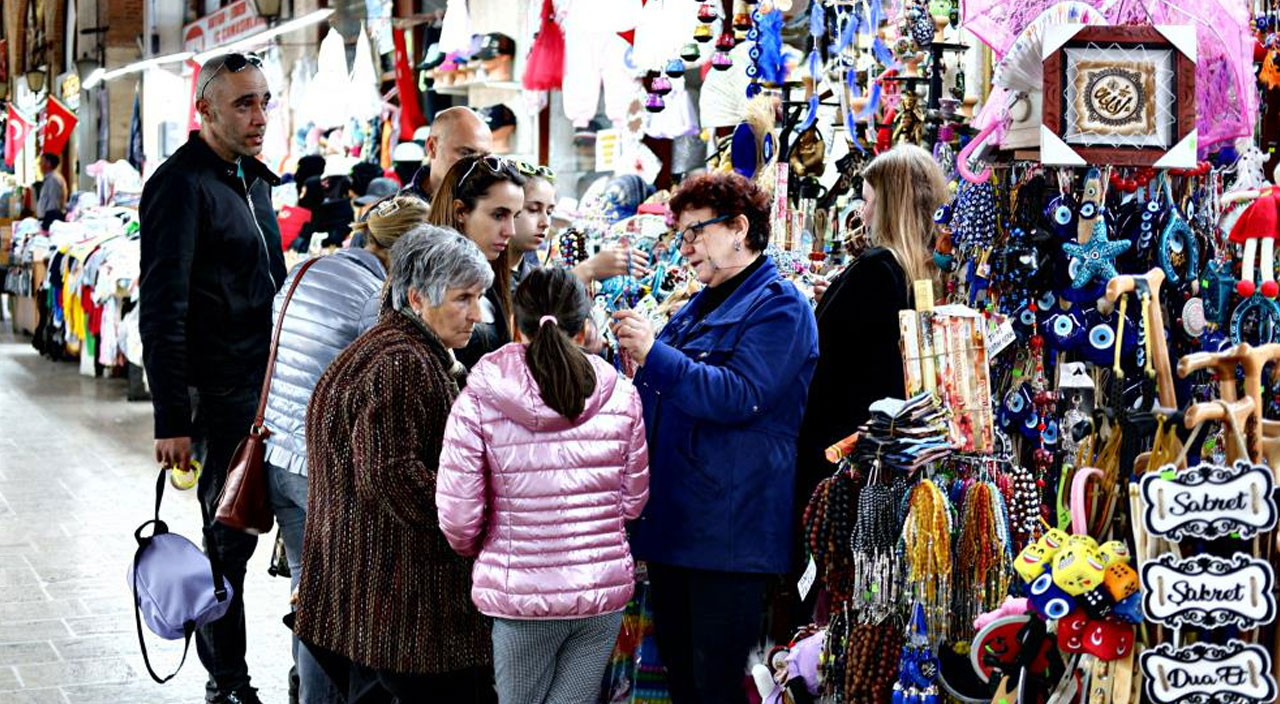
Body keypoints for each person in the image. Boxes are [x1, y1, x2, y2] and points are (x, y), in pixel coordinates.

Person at [611, 171, 819, 704]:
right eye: (682, 235)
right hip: (677, 525)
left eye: (696, 232)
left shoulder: (780, 307)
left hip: (729, 532)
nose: (687, 247)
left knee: (715, 684)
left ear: (740, 229)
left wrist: (654, 354)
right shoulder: (698, 305)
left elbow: (740, 394)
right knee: (683, 680)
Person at [294, 226, 496, 703]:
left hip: (369, 598)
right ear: (417, 298)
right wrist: (477, 511)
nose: (476, 313)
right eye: (463, 298)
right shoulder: (401, 363)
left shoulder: (389, 348)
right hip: (400, 607)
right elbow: (393, 477)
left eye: (479, 296)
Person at [139, 51, 283, 704]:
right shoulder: (181, 185)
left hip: (266, 387)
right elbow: (162, 307)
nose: (258, 116)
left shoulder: (254, 181)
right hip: (217, 397)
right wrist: (171, 418)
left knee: (253, 540)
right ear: (204, 111)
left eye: (263, 100)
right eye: (242, 104)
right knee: (227, 546)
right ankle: (229, 684)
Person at [437, 267, 649, 704]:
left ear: (516, 324)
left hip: (520, 599)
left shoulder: (478, 398)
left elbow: (459, 519)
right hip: (600, 595)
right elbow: (632, 502)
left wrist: (487, 551)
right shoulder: (622, 394)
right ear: (585, 326)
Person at [262, 195, 429, 704]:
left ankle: (305, 691)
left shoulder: (304, 270)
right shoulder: (372, 297)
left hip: (276, 457)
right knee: (336, 606)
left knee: (307, 590)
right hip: (321, 468)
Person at [795, 144, 946, 537]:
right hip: (893, 451)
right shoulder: (925, 273)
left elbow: (822, 355)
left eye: (867, 201)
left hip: (840, 450)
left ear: (890, 206)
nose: (862, 213)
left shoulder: (876, 270)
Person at [427, 154, 526, 368]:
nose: (511, 231)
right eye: (499, 215)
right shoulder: (428, 283)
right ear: (460, 211)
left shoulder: (491, 278)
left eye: (515, 216)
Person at [404, 106, 494, 204]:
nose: (477, 165)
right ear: (432, 147)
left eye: (484, 158)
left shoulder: (493, 207)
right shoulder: (395, 214)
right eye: (466, 153)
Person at [36, 153, 68, 230]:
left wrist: (46, 218)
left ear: (48, 164)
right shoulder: (51, 178)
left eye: (42, 162)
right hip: (49, 216)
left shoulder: (53, 179)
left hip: (51, 217)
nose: (40, 165)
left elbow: (53, 201)